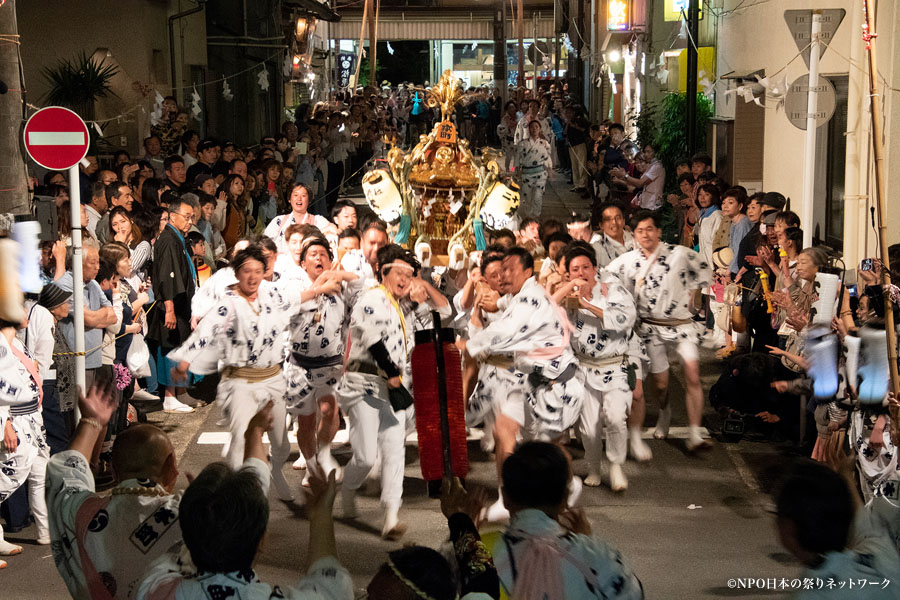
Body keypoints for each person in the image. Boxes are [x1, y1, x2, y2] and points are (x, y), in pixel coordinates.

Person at [137, 403, 354, 600]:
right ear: (262, 541)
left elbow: (193, 541)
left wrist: (200, 509)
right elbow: (331, 586)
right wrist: (321, 517)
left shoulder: (155, 586)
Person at [168, 245, 321, 501]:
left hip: (272, 378)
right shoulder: (227, 304)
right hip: (239, 382)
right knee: (240, 439)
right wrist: (184, 363)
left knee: (282, 444)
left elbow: (297, 298)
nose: (252, 277)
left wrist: (323, 288)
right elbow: (205, 332)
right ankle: (240, 496)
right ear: (237, 273)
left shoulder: (271, 296)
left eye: (258, 271)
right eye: (246, 271)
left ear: (264, 273)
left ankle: (274, 472)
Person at [339, 244, 450, 539]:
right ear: (382, 272)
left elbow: (445, 309)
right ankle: (347, 488)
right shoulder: (372, 298)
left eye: (408, 274)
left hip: (393, 384)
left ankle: (391, 515)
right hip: (365, 383)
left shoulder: (402, 305)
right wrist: (391, 372)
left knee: (393, 449)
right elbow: (375, 342)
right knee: (364, 456)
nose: (404, 279)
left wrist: (423, 283)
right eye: (398, 272)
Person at [466, 247, 585, 520]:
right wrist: (490, 301)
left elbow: (507, 331)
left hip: (557, 386)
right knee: (502, 430)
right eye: (500, 271)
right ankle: (505, 497)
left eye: (509, 269)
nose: (504, 275)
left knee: (549, 450)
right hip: (530, 382)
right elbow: (503, 307)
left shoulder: (531, 297)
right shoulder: (519, 296)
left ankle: (568, 485)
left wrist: (470, 344)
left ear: (528, 271)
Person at [46, 381, 184, 599]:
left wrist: (91, 423)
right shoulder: (188, 516)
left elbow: (64, 472)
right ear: (172, 467)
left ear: (112, 468)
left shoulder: (83, 513)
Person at [608, 211, 713, 452]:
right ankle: (665, 411)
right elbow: (606, 277)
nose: (645, 234)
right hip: (649, 327)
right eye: (640, 231)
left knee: (693, 373)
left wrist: (692, 296)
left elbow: (705, 272)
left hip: (682, 324)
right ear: (634, 235)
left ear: (658, 231)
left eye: (649, 229)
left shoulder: (679, 254)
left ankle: (695, 432)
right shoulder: (629, 260)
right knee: (662, 383)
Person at [486, 442, 643, 599]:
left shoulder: (483, 553)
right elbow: (634, 594)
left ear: (505, 498)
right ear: (566, 498)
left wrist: (466, 536)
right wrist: (588, 541)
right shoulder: (599, 554)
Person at [553, 242, 636, 491]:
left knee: (615, 418)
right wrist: (569, 292)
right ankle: (593, 467)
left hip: (614, 366)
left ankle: (616, 466)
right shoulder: (567, 297)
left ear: (595, 268)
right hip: (584, 368)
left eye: (585, 267)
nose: (581, 273)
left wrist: (587, 305)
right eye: (575, 269)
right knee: (588, 428)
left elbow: (626, 319)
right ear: (568, 273)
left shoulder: (613, 290)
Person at [284, 236, 361, 479]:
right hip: (299, 365)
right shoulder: (292, 285)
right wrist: (319, 289)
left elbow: (364, 284)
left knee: (329, 411)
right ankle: (311, 465)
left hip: (331, 364)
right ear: (303, 263)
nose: (318, 258)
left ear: (330, 260)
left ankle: (324, 452)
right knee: (305, 422)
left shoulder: (341, 289)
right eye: (312, 255)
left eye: (323, 255)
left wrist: (341, 275)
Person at [775, 461, 900, 599]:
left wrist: (846, 475)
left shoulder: (811, 595)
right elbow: (865, 523)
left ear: (788, 527)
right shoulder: (879, 554)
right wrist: (846, 475)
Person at [0, 307, 50, 563]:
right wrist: (6, 423)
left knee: (39, 472)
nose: (26, 313)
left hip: (32, 417)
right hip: (13, 419)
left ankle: (45, 531)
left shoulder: (15, 340)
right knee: (9, 477)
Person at [147, 197, 197, 414]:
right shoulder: (168, 240)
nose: (189, 222)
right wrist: (169, 308)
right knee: (172, 348)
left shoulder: (178, 238)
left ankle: (181, 391)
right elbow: (166, 278)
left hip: (182, 303)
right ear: (173, 216)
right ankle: (169, 397)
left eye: (191, 218)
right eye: (186, 217)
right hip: (172, 304)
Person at [264, 183, 332, 255]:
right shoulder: (279, 221)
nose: (299, 199)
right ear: (289, 199)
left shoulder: (318, 220)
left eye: (303, 196)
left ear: (309, 200)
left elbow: (332, 233)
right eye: (296, 195)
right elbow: (265, 243)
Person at [515, 121, 553, 221]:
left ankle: (536, 216)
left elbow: (548, 157)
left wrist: (550, 169)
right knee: (527, 197)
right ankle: (528, 217)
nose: (534, 129)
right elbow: (517, 157)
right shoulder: (523, 143)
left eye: (536, 127)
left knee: (537, 197)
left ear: (540, 129)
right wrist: (517, 168)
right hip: (526, 174)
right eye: (532, 127)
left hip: (540, 174)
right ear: (529, 129)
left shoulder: (544, 143)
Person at [592, 203, 633, 269]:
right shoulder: (596, 249)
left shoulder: (636, 239)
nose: (614, 222)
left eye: (618, 218)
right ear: (601, 225)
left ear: (624, 221)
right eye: (608, 219)